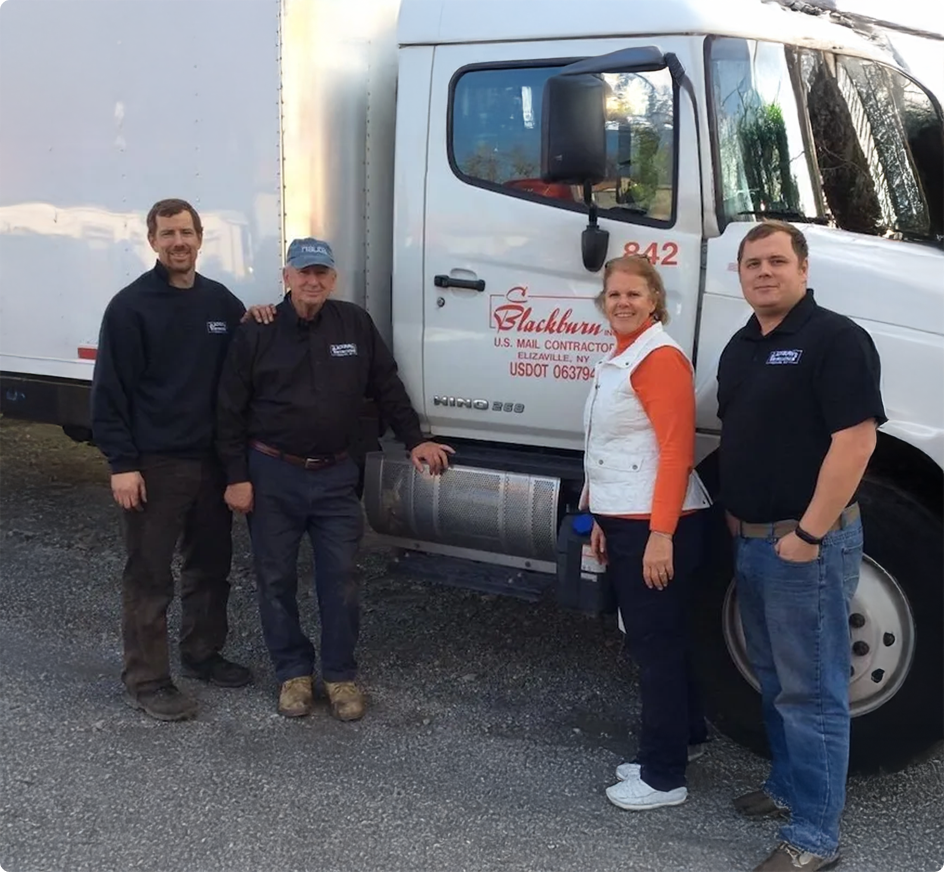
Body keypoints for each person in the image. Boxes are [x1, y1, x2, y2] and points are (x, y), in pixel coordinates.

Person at [216, 237, 453, 722]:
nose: (313, 280)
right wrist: (236, 478)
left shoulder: (353, 324)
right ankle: (293, 674)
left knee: (341, 579)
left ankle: (340, 675)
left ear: (333, 278)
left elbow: (387, 384)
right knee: (275, 578)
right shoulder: (256, 330)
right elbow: (228, 412)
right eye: (303, 272)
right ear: (286, 277)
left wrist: (415, 440)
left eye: (322, 272)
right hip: (272, 474)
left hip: (335, 476)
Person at [718, 221, 885, 872]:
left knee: (811, 692)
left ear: (804, 268)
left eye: (777, 261)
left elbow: (856, 442)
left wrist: (810, 534)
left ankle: (815, 838)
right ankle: (787, 787)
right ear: (738, 275)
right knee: (773, 680)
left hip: (806, 547)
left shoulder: (836, 340)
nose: (764, 272)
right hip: (755, 545)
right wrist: (738, 517)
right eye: (752, 263)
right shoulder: (739, 348)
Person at [91, 198, 252, 723]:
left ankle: (202, 654)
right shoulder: (131, 307)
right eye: (168, 234)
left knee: (210, 568)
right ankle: (147, 680)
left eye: (186, 232)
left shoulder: (219, 302)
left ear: (201, 238)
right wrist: (122, 463)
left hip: (210, 464)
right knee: (149, 576)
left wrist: (266, 315)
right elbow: (109, 394)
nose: (178, 242)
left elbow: (248, 352)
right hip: (155, 465)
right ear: (153, 242)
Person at [582, 255, 711, 812]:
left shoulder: (657, 358)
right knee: (666, 642)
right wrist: (598, 516)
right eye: (614, 295)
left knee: (654, 647)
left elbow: (676, 451)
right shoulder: (622, 355)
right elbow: (609, 446)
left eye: (635, 294)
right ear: (603, 302)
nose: (623, 303)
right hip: (629, 520)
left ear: (654, 299)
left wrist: (660, 536)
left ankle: (663, 777)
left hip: (660, 526)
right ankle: (683, 738)